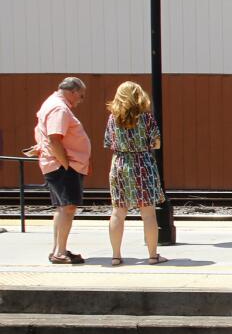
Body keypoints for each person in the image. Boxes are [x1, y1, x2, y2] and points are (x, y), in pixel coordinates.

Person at [103, 81, 167, 266]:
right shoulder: (146, 119)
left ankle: (116, 256)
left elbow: (108, 142)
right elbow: (157, 143)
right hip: (143, 164)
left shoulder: (112, 119)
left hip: (120, 164)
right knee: (148, 213)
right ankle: (153, 256)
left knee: (118, 212)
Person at [35, 77, 91, 265]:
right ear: (73, 92)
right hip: (62, 166)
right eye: (81, 96)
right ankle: (60, 252)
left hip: (57, 164)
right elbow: (55, 138)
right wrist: (66, 163)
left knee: (62, 208)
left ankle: (57, 249)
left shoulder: (51, 103)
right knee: (68, 208)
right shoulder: (59, 108)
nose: (80, 100)